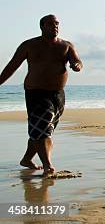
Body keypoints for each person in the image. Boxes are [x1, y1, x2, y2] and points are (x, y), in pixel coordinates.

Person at [0, 15, 82, 176]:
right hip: (36, 92)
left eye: (57, 23)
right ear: (42, 26)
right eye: (50, 24)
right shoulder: (29, 45)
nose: (55, 26)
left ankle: (26, 159)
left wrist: (76, 65)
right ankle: (48, 165)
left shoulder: (66, 45)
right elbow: (12, 66)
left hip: (58, 94)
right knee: (43, 131)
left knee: (42, 130)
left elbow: (77, 60)